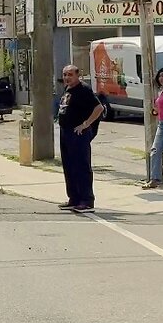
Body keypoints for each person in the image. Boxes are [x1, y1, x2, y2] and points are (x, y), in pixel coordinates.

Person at [57, 65, 104, 213]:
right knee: (69, 166)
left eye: (70, 74)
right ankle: (74, 198)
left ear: (77, 75)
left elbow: (99, 108)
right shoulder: (68, 89)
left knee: (81, 167)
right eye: (65, 75)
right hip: (65, 132)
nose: (67, 77)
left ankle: (86, 200)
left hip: (78, 134)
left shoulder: (84, 89)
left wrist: (85, 124)